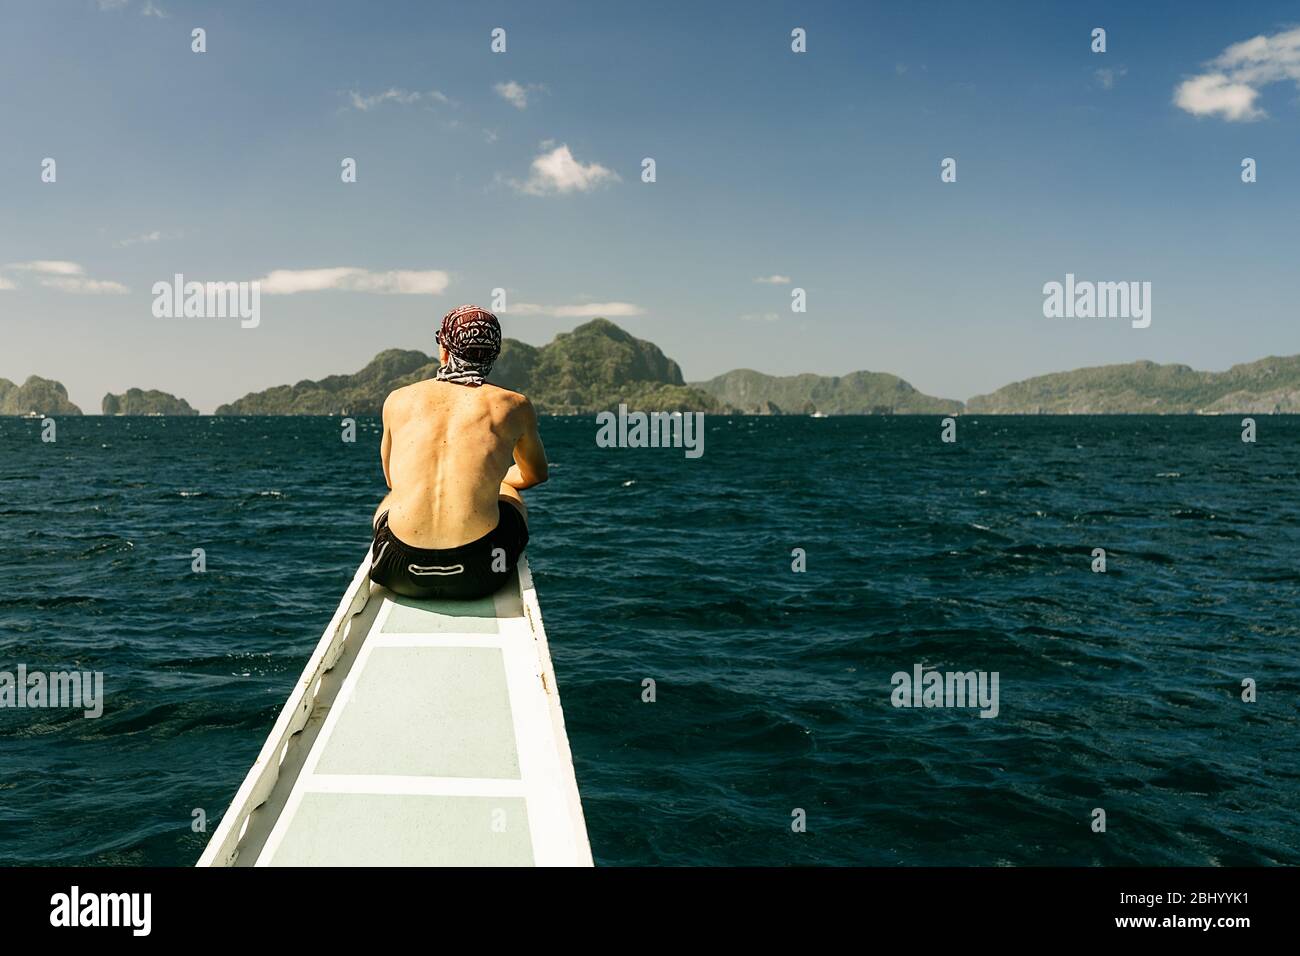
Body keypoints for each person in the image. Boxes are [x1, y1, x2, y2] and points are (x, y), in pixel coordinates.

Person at [369, 305, 547, 600]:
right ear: (493, 354)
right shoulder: (515, 405)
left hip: (399, 570)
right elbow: (536, 475)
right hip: (479, 572)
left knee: (394, 496)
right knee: (507, 492)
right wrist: (494, 481)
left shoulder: (397, 400)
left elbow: (392, 480)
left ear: (444, 349)